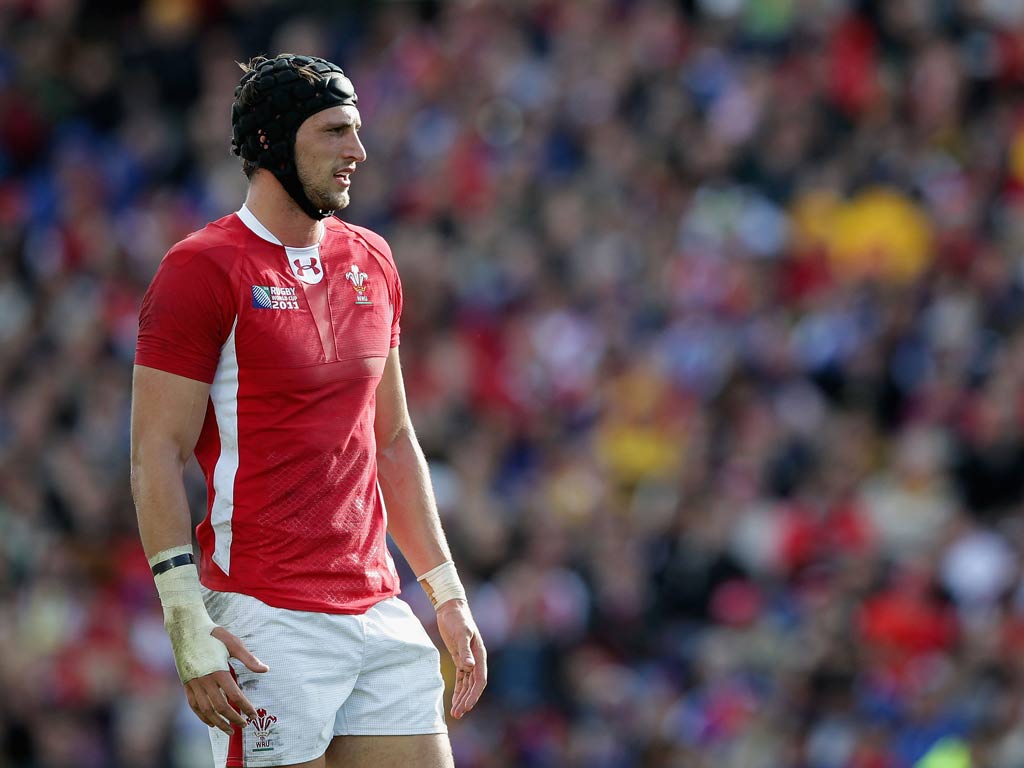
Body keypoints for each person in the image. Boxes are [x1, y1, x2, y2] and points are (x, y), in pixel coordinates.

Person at [130, 53, 486, 768]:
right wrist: (185, 619)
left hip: (377, 609)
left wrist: (445, 591)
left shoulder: (374, 259)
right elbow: (155, 454)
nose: (358, 151)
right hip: (268, 619)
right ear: (271, 144)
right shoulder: (200, 268)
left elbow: (391, 439)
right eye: (335, 132)